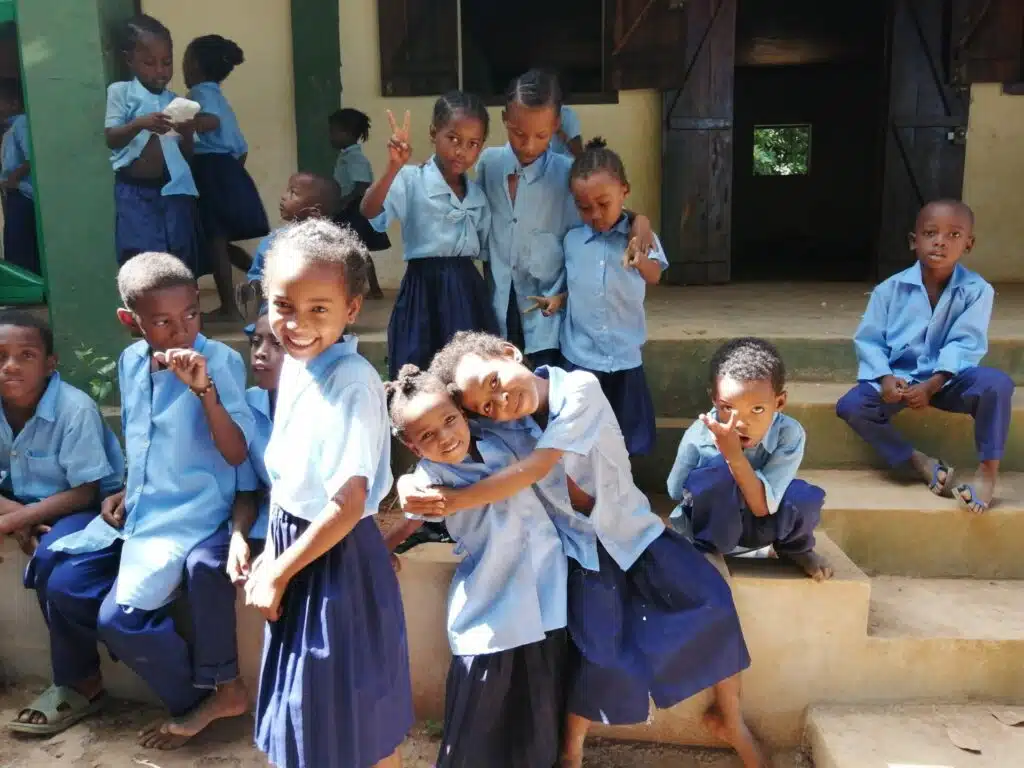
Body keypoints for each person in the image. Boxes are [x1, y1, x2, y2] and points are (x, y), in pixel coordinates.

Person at [424, 332, 765, 768]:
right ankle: (572, 750)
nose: (501, 401)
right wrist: (411, 483)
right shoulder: (505, 425)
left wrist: (453, 502)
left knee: (713, 599)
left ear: (511, 353)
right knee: (597, 652)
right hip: (581, 550)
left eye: (495, 381)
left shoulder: (579, 388)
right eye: (486, 406)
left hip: (635, 532)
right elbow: (439, 440)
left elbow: (539, 467)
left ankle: (730, 719)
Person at [28, 252, 253, 750]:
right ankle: (87, 680)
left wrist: (204, 392)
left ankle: (201, 699)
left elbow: (237, 453)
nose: (182, 331)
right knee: (61, 581)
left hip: (195, 515)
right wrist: (129, 488)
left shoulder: (220, 361)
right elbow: (145, 441)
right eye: (163, 322)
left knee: (121, 619)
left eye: (191, 314)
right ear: (131, 322)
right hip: (143, 513)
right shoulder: (131, 362)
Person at [245, 219, 413, 768]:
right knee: (307, 711)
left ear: (351, 309)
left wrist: (277, 570)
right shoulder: (297, 366)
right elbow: (292, 476)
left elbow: (349, 504)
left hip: (332, 559)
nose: (297, 324)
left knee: (349, 715)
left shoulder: (352, 382)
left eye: (319, 309)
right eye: (283, 305)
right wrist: (274, 548)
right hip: (297, 548)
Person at [384, 365, 569, 768]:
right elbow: (415, 502)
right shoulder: (431, 475)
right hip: (491, 610)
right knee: (475, 726)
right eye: (427, 435)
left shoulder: (505, 438)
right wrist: (390, 536)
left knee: (536, 718)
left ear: (463, 413)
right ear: (414, 448)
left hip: (546, 597)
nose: (445, 437)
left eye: (449, 420)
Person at [836, 200, 1014, 514]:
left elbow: (965, 343)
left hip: (949, 380)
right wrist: (885, 377)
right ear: (913, 241)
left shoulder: (977, 291)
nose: (940, 242)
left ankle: (987, 471)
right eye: (930, 233)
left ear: (969, 244)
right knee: (851, 406)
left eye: (954, 235)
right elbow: (870, 341)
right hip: (899, 382)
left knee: (997, 385)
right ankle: (918, 461)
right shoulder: (889, 290)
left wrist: (933, 384)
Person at [161, 308, 285, 742]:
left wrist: (277, 552)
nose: (262, 355)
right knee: (203, 563)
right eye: (257, 343)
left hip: (310, 527)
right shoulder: (251, 404)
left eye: (278, 346)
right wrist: (236, 537)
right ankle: (227, 686)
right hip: (264, 520)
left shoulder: (322, 408)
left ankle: (294, 700)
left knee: (289, 584)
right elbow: (248, 489)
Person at [476, 70, 654, 369]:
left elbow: (604, 215)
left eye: (541, 136)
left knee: (545, 385)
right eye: (519, 133)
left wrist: (640, 220)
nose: (529, 144)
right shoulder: (488, 166)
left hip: (547, 308)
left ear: (557, 126)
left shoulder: (566, 173)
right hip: (498, 300)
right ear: (505, 118)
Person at [0, 312, 123, 679]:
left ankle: (78, 680)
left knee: (52, 562)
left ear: (50, 363)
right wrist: (21, 518)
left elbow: (85, 492)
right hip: (19, 504)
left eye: (26, 355)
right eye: (0, 355)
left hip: (81, 507)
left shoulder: (74, 409)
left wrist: (15, 520)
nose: (10, 366)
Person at [667, 338, 833, 581]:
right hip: (713, 527)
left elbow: (763, 506)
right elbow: (675, 490)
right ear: (714, 399)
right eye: (727, 408)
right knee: (715, 474)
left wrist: (733, 456)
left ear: (779, 403)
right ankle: (708, 551)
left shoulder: (788, 433)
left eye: (757, 409)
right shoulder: (699, 435)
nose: (742, 423)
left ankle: (794, 549)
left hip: (760, 522)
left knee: (803, 497)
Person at [360, 92, 497, 379]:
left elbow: (485, 254)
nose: (461, 151)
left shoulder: (478, 197)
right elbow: (369, 211)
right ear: (434, 133)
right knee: (417, 367)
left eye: (472, 144)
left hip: (467, 289)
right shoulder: (411, 179)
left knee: (467, 372)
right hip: (423, 288)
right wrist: (393, 167)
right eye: (454, 139)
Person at [557, 138, 665, 456]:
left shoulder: (641, 238)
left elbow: (655, 275)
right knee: (581, 434)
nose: (595, 214)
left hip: (624, 357)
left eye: (604, 204)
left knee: (626, 438)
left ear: (624, 192)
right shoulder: (572, 241)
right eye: (584, 207)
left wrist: (639, 256)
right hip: (580, 357)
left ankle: (622, 492)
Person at [184, 34, 270, 322]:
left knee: (215, 241)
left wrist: (177, 124)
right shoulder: (218, 95)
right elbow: (241, 149)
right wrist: (230, 173)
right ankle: (268, 280)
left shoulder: (200, 93)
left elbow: (210, 122)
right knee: (220, 241)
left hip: (209, 169)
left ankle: (229, 308)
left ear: (194, 64)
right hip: (229, 169)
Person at [104, 15, 200, 271]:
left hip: (174, 190)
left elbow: (188, 155)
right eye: (149, 63)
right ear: (129, 60)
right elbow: (111, 138)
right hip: (136, 192)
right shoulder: (121, 92)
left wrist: (188, 132)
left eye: (167, 63)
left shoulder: (177, 101)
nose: (160, 71)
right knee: (142, 259)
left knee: (179, 256)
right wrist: (139, 124)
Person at [238, 172, 340, 313]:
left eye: (293, 193)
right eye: (287, 190)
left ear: (315, 211)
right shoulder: (272, 241)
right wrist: (255, 285)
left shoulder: (330, 244)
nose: (284, 197)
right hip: (276, 312)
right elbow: (258, 271)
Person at [328, 107, 386, 298]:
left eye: (333, 131)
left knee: (356, 250)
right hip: (351, 207)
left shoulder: (354, 158)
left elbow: (362, 185)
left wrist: (344, 202)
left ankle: (370, 288)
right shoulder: (346, 155)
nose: (330, 136)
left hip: (355, 209)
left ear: (347, 133)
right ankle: (369, 287)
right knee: (355, 249)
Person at [0, 79, 39, 274]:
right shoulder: (10, 128)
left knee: (19, 249)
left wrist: (12, 180)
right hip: (17, 193)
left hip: (23, 195)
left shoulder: (22, 122)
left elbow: (32, 157)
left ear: (14, 103)